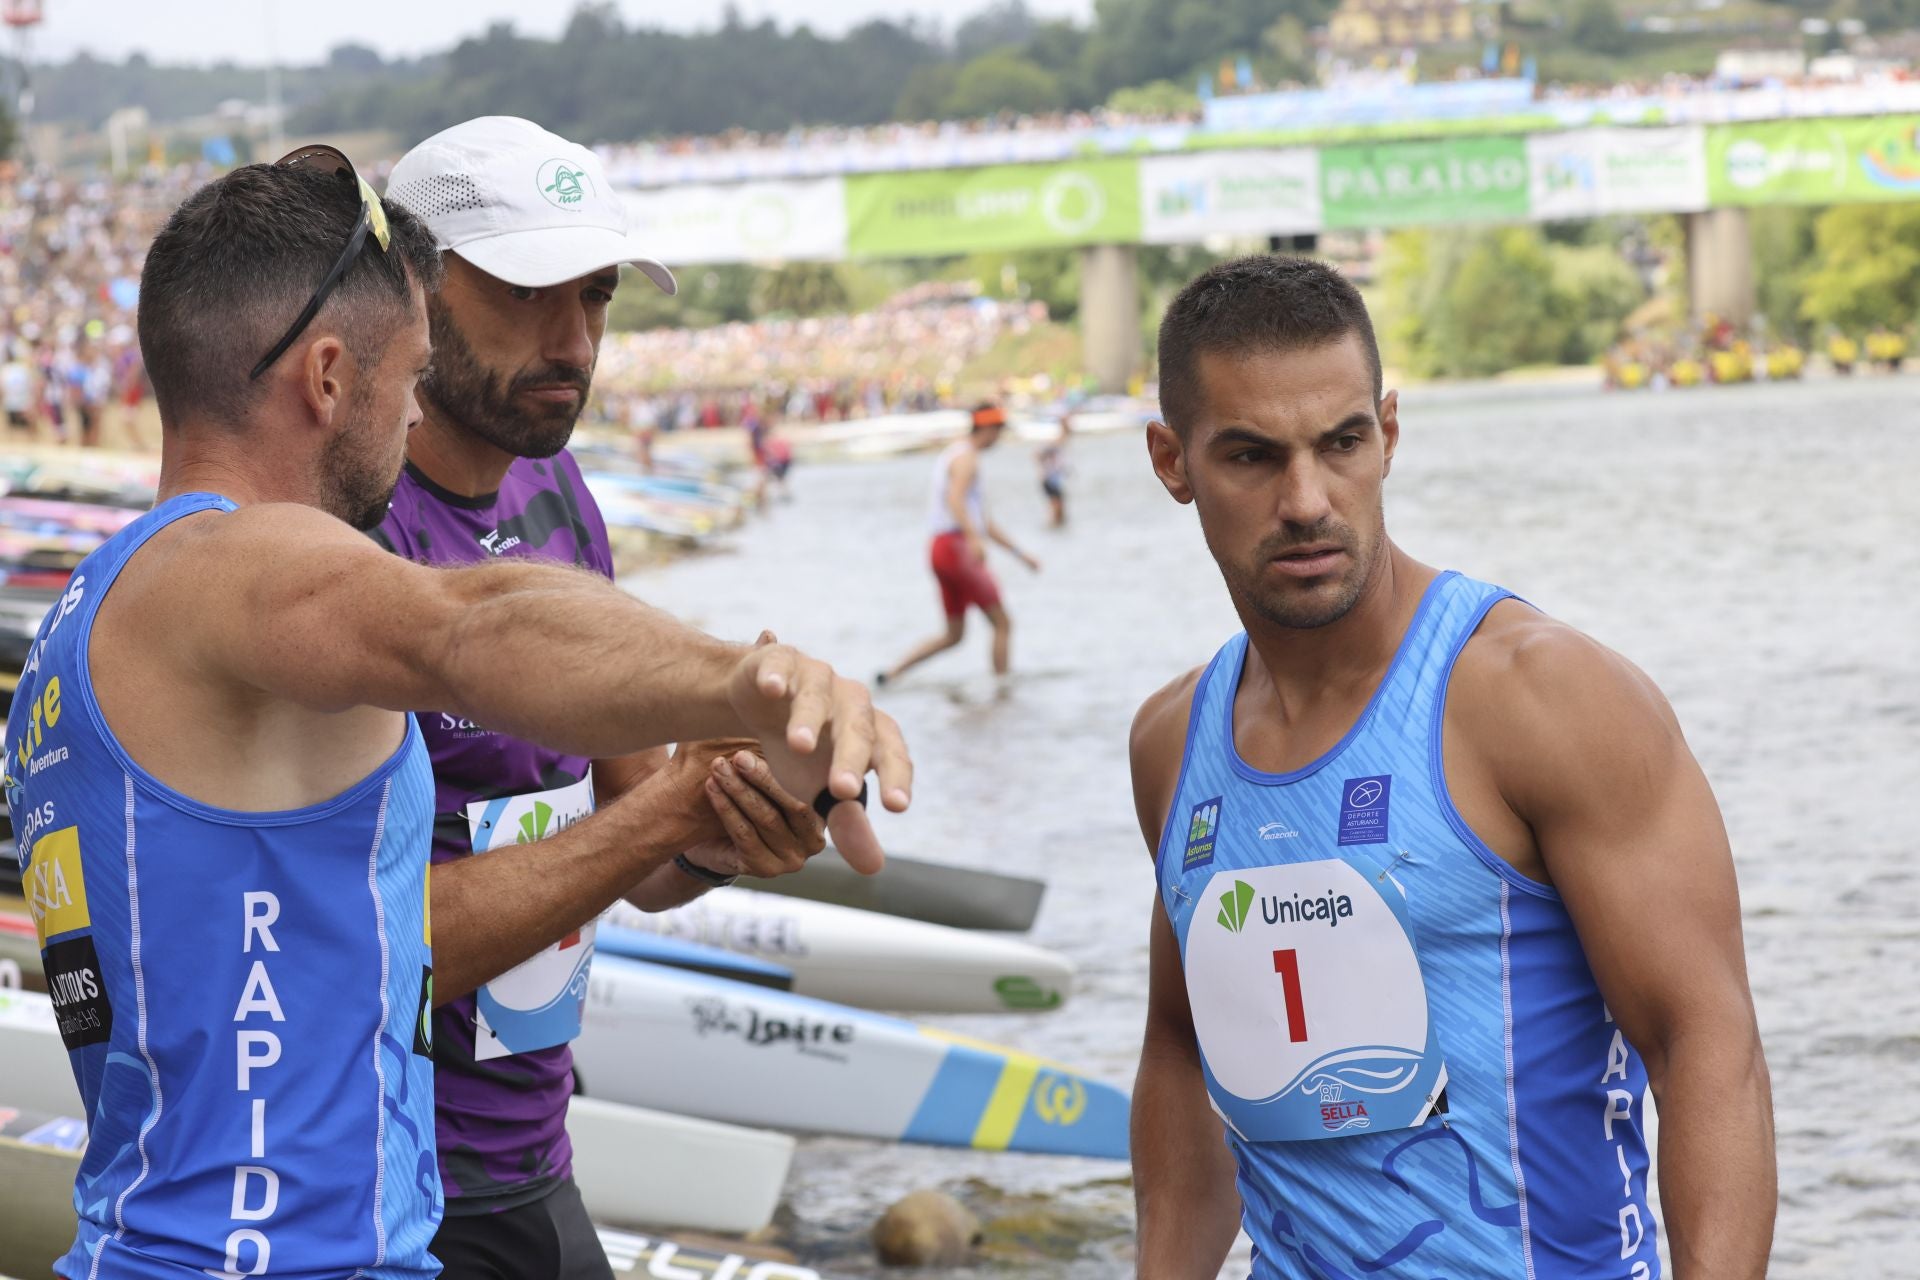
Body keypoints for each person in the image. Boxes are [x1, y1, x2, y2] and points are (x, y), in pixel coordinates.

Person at [4, 150, 908, 1280]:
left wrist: (695, 809)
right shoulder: (233, 569)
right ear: (329, 379)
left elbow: (339, 945)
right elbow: (467, 627)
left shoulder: (98, 605)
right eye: (410, 376)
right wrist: (750, 679)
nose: (412, 413)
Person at [1129, 257, 1773, 1277]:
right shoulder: (1172, 742)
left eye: (1341, 443)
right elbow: (1179, 1049)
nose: (1306, 500)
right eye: (1252, 456)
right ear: (1173, 461)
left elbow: (1706, 1044)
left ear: (1388, 432)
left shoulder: (1540, 696)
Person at [380, 116, 833, 1277]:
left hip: (534, 1156)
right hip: (380, 1185)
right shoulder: (355, 536)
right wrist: (665, 813)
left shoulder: (558, 489)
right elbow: (368, 946)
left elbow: (641, 846)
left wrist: (735, 816)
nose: (573, 340)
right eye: (529, 293)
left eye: (595, 297)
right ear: (413, 292)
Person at [879, 402, 1039, 685]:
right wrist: (973, 538)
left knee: (954, 635)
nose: (999, 439)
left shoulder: (953, 454)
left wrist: (1020, 554)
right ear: (987, 429)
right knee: (1003, 623)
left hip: (940, 548)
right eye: (999, 431)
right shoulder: (967, 458)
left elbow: (983, 522)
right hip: (956, 548)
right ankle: (1002, 691)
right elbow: (955, 499)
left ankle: (891, 674)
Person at [1037, 412, 1071, 528]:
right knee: (1056, 507)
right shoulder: (1054, 443)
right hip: (1049, 479)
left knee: (1060, 508)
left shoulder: (1059, 442)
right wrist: (1043, 469)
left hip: (1054, 479)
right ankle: (1053, 526)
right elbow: (1036, 455)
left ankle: (1056, 529)